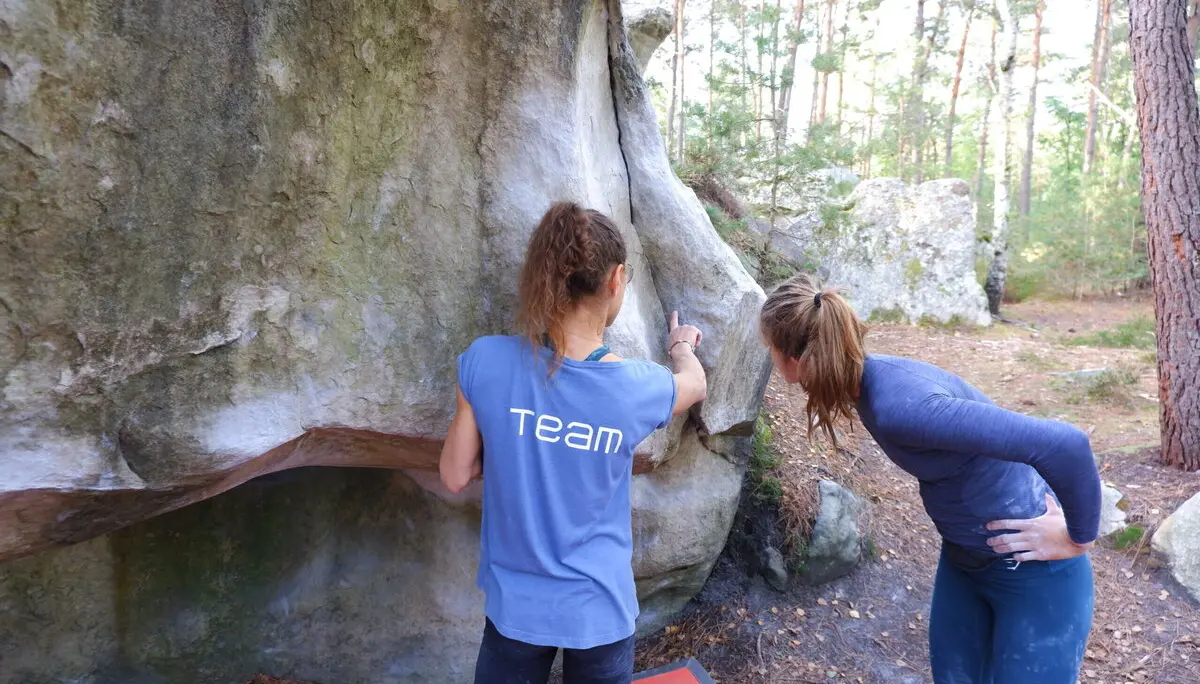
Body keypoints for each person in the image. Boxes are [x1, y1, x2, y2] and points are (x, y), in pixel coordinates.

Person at [758, 273, 1102, 684]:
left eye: (769, 348)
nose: (769, 358)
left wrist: (1078, 536)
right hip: (964, 561)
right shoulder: (863, 384)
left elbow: (1065, 445)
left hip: (1032, 570)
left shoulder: (903, 407)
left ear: (793, 359)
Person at [439, 201, 709, 684]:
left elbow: (455, 474)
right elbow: (695, 385)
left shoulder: (484, 362)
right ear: (615, 280)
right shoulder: (636, 387)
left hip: (516, 606)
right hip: (599, 607)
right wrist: (681, 345)